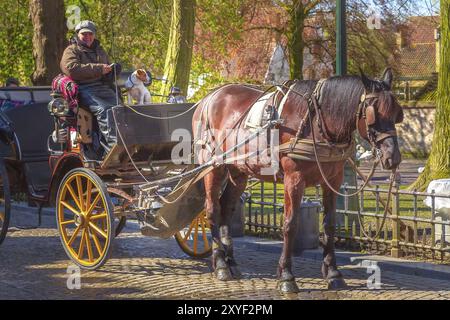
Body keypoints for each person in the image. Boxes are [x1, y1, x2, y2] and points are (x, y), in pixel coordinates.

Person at [60, 20, 121, 155]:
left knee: (121, 109)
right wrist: (99, 69)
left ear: (94, 35)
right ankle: (113, 150)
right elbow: (71, 70)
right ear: (78, 35)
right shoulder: (71, 50)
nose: (87, 37)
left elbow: (106, 74)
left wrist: (113, 71)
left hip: (102, 87)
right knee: (105, 110)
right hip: (84, 88)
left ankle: (127, 145)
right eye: (84, 34)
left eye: (90, 34)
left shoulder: (100, 50)